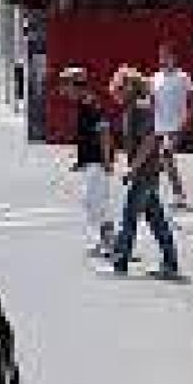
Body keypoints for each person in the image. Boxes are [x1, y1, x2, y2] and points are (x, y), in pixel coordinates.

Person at [112, 73, 179, 277]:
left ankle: (120, 261)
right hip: (147, 170)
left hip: (145, 171)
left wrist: (133, 169)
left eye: (118, 88)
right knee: (155, 218)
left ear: (129, 87)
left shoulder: (140, 108)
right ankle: (170, 261)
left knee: (129, 216)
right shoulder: (135, 108)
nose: (115, 93)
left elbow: (150, 140)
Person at [59, 65, 115, 258]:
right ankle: (106, 240)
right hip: (91, 161)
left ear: (76, 86)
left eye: (66, 85)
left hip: (98, 162)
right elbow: (86, 136)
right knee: (93, 202)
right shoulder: (84, 104)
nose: (63, 90)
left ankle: (110, 242)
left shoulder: (91, 105)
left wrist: (107, 160)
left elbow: (105, 131)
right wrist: (79, 159)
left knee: (96, 202)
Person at [148, 44, 193, 209]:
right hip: (158, 126)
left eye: (167, 55)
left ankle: (178, 194)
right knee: (161, 161)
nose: (164, 59)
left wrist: (188, 118)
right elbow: (151, 100)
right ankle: (160, 193)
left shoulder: (183, 77)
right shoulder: (154, 78)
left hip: (177, 125)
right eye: (162, 56)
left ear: (174, 58)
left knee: (166, 154)